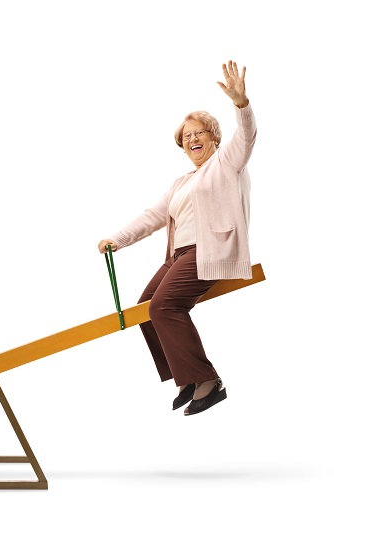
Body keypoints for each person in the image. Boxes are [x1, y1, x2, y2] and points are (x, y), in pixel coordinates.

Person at [97, 60, 256, 416]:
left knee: (163, 307)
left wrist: (241, 105)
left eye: (199, 132)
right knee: (144, 309)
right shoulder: (182, 182)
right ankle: (184, 377)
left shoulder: (227, 163)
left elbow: (246, 136)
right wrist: (116, 240)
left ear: (213, 137)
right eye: (186, 136)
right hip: (179, 255)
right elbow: (153, 216)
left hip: (207, 250)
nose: (192, 139)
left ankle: (208, 381)